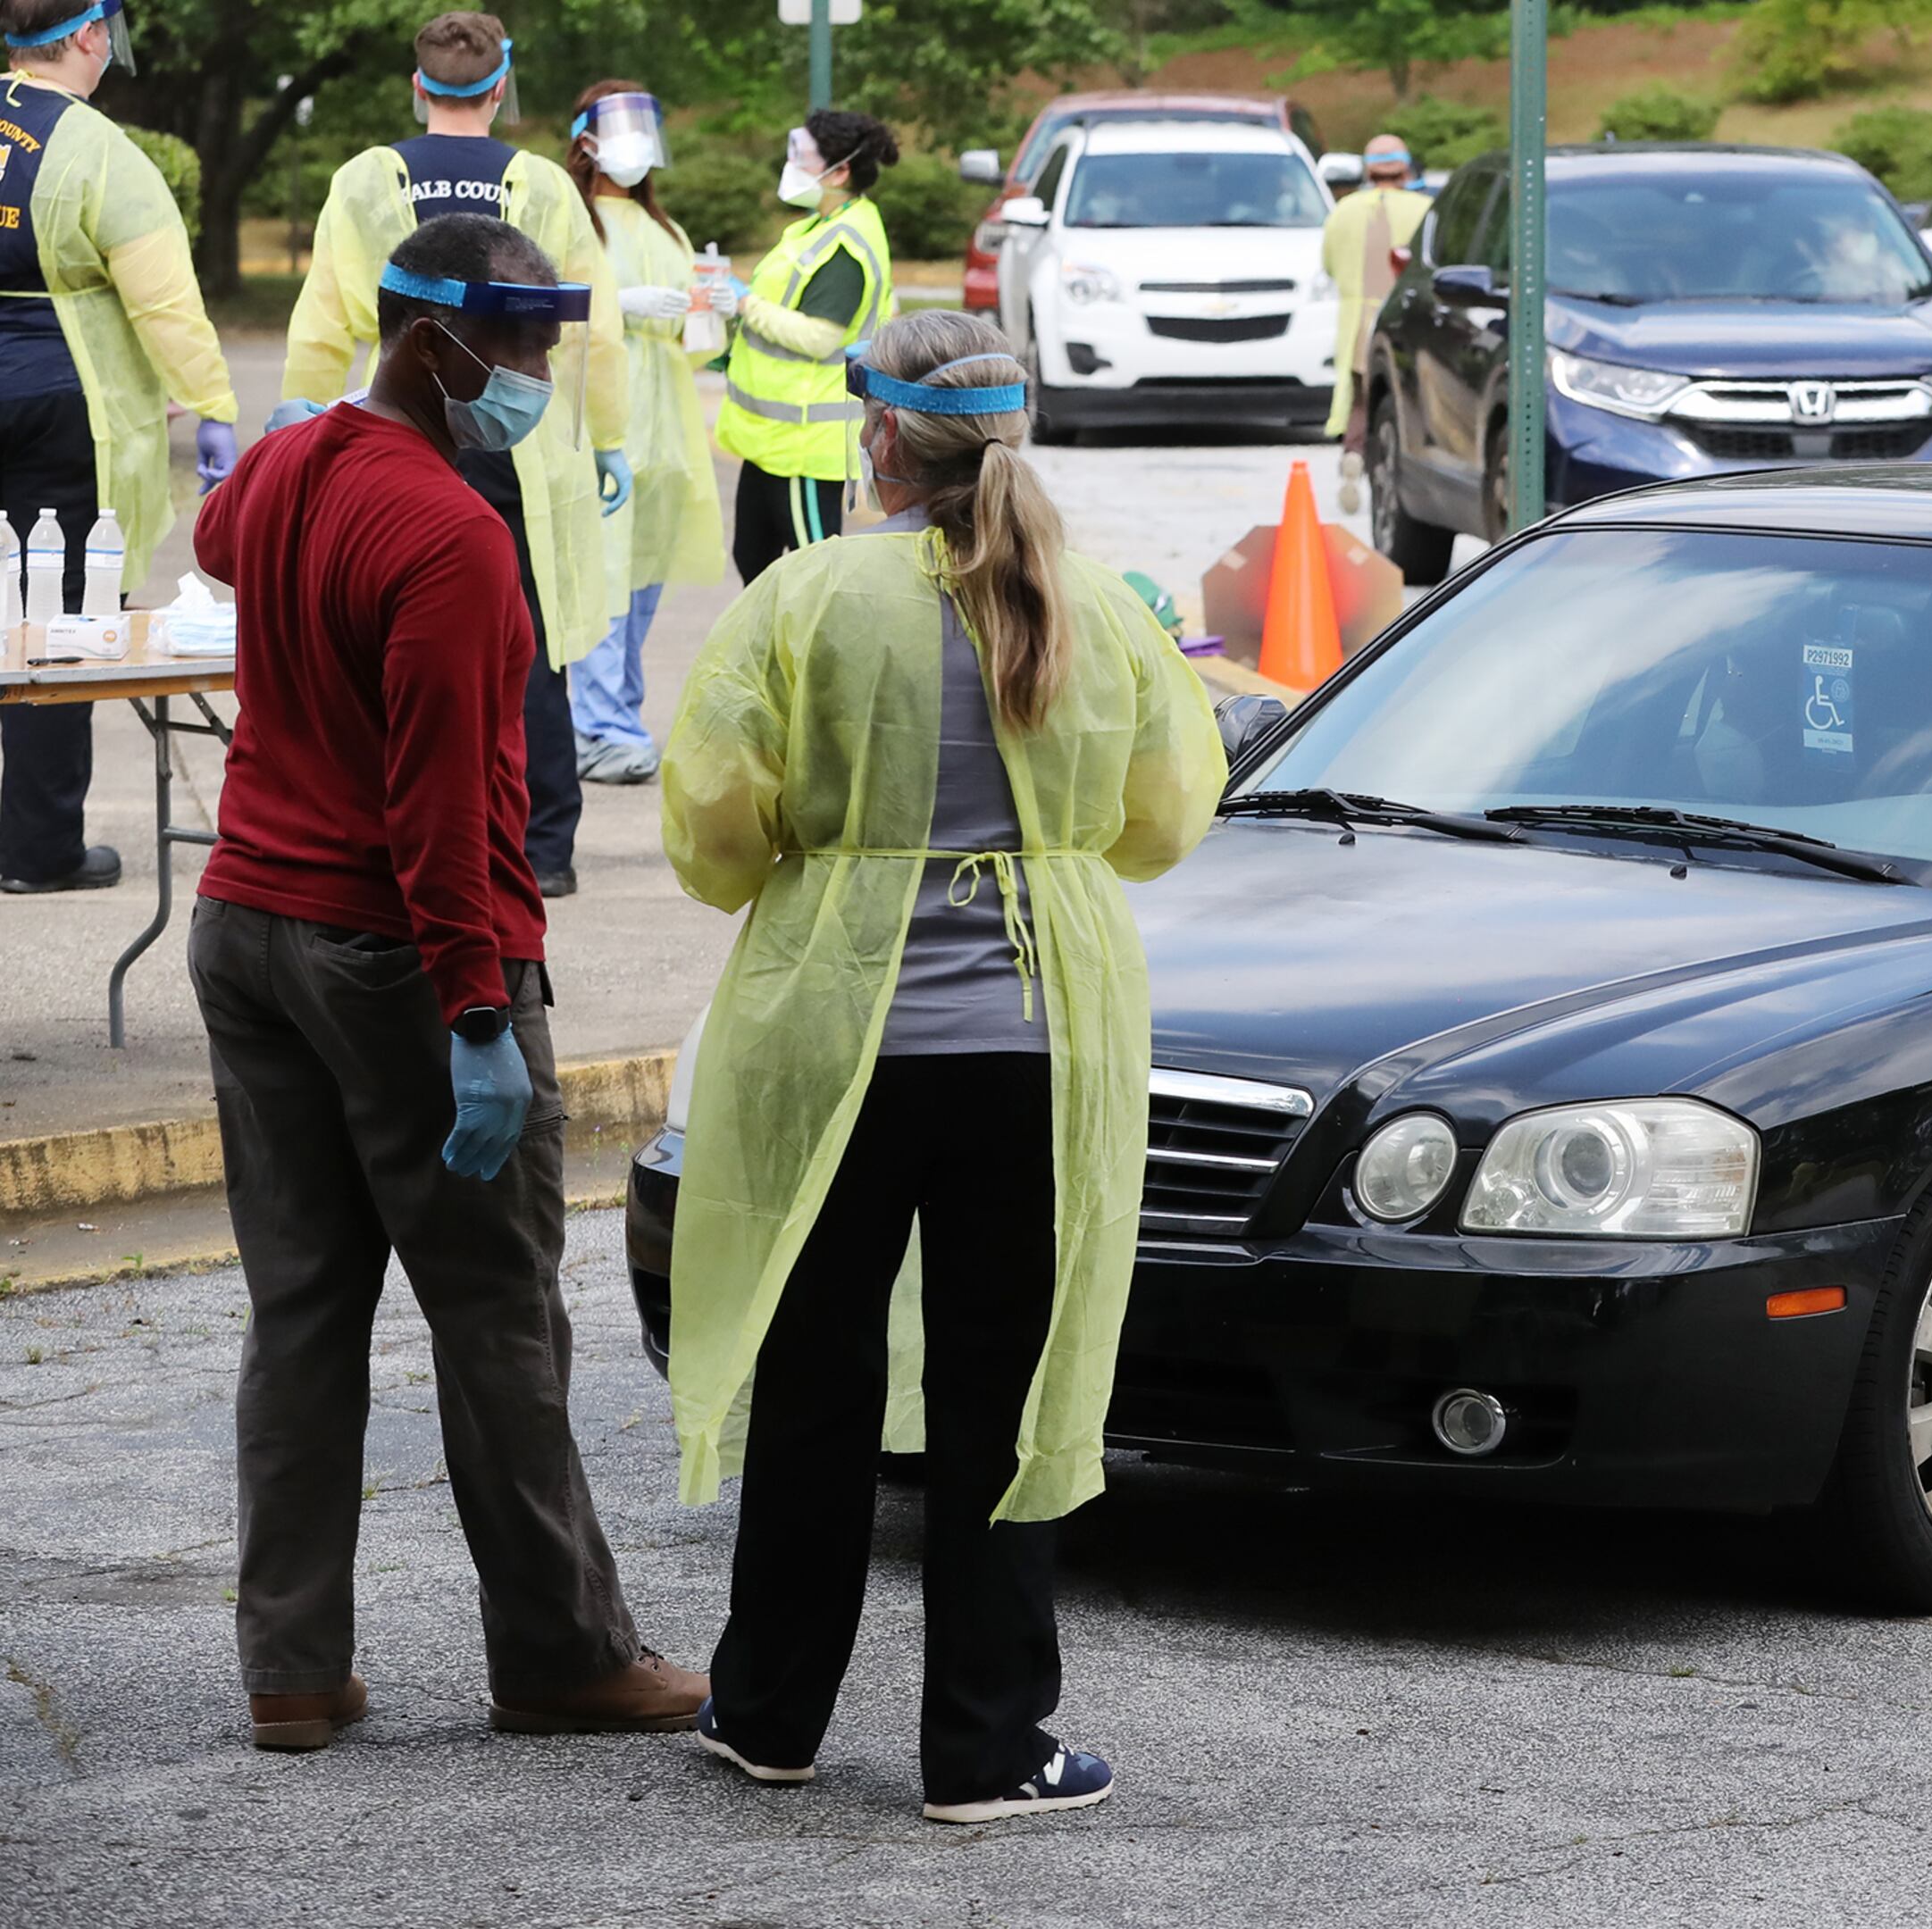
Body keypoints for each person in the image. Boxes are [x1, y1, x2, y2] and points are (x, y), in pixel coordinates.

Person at [660, 309, 1225, 1820]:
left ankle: (768, 1712)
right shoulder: (1093, 601)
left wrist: (810, 858)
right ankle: (987, 1749)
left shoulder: (808, 594)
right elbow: (1168, 815)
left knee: (816, 1378)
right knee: (1005, 1389)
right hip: (1039, 1050)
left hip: (838, 1037)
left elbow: (715, 818)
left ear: (879, 440)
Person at [188, 213, 707, 1750]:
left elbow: (218, 548)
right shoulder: (454, 536)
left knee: (300, 1311)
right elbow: (442, 814)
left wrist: (302, 459)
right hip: (393, 959)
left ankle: (292, 1671)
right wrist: (479, 1018)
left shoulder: (287, 466)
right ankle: (560, 1654)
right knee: (496, 1315)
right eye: (525, 346)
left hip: (246, 929)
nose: (538, 376)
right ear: (438, 343)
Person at [282, 9, 631, 898]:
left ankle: (410, 835)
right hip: (518, 441)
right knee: (528, 639)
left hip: (401, 427)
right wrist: (611, 435)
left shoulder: (368, 179)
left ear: (417, 85)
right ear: (502, 87)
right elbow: (595, 326)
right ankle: (542, 849)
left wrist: (298, 414)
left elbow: (327, 311)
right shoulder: (542, 184)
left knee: (401, 635)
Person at [0, 0, 239, 895]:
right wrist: (213, 403)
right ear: (92, 36)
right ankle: (39, 848)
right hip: (63, 404)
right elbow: (163, 300)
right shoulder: (99, 149)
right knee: (56, 621)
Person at [560, 80, 720, 785]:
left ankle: (615, 714)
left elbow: (696, 342)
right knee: (604, 576)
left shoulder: (667, 230)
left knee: (642, 580)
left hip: (666, 430)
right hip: (603, 424)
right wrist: (615, 306)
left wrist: (706, 309)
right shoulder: (568, 219)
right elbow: (549, 313)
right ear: (585, 139)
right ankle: (599, 726)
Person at [715, 107, 900, 583]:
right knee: (752, 560)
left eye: (803, 157)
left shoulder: (845, 244)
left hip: (805, 446)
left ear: (840, 171)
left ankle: (812, 660)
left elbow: (822, 337)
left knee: (813, 576)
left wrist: (744, 304)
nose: (791, 164)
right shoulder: (815, 226)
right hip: (773, 442)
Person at [1322, 134, 1428, 513]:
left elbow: (1329, 264)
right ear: (1406, 168)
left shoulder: (1344, 210)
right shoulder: (1424, 208)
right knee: (1404, 400)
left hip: (1357, 320)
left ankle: (1354, 452)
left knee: (1360, 399)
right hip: (1405, 320)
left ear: (1367, 170)